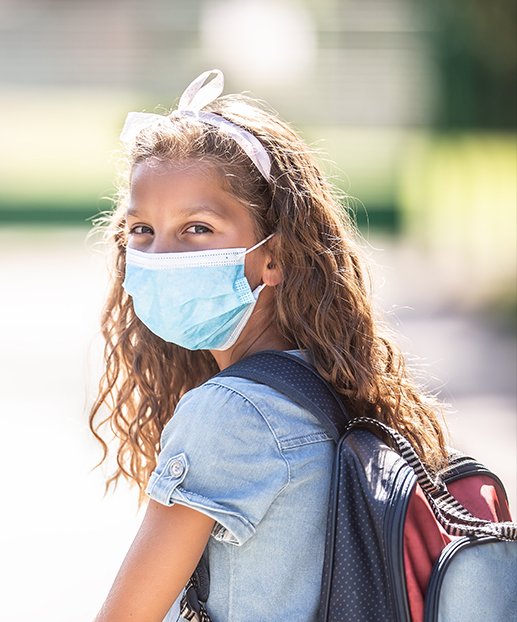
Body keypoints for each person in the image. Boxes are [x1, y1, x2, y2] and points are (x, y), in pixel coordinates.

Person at [88, 70, 450, 621]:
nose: (160, 255)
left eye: (198, 228)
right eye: (141, 230)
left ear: (273, 257)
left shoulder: (228, 414)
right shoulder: (318, 388)